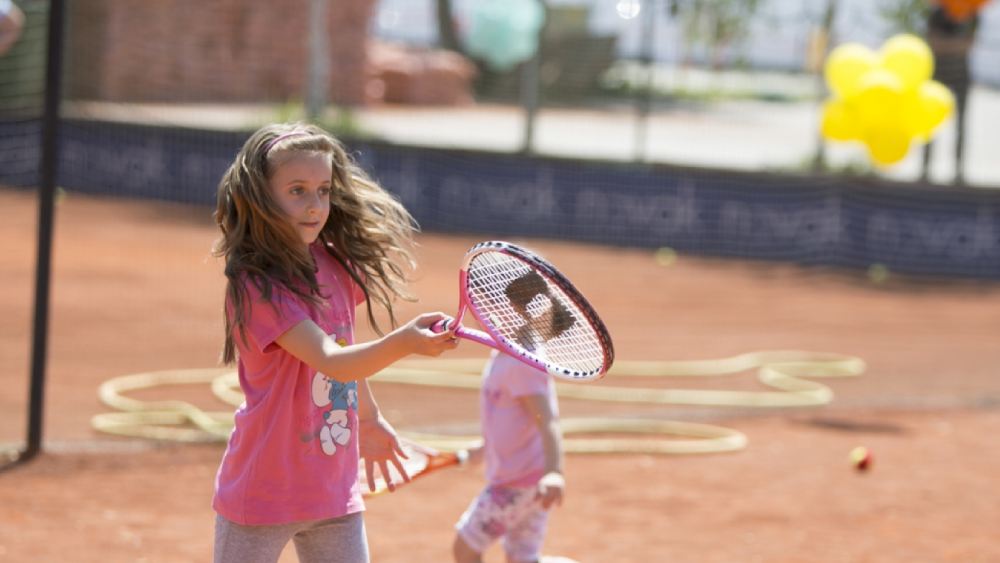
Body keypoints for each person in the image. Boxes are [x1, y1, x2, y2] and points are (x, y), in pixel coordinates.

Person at [211, 122, 459, 563]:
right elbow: (333, 361)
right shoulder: (258, 285)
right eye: (298, 190)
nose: (315, 205)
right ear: (261, 196)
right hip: (263, 492)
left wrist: (369, 418)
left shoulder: (334, 264)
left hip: (331, 491)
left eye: (323, 190)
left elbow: (344, 347)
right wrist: (404, 341)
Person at [453, 269, 576, 563]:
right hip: (525, 481)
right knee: (522, 559)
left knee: (465, 547)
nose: (475, 312)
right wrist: (485, 448)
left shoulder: (523, 362)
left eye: (483, 304)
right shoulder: (505, 353)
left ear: (516, 311)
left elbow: (546, 420)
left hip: (516, 483)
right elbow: (512, 418)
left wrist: (554, 472)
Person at [922, 1, 981, 185]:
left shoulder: (973, 14)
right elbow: (934, 44)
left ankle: (958, 172)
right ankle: (925, 172)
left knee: (961, 125)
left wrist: (948, 45)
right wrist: (956, 46)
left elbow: (969, 44)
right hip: (937, 76)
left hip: (961, 76)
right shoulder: (937, 13)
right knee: (929, 125)